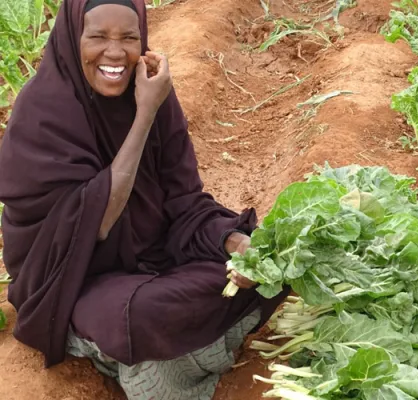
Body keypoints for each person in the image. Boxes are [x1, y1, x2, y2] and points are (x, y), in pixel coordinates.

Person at [0, 0, 288, 398]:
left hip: (154, 258)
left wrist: (239, 246)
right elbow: (96, 223)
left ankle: (173, 347)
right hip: (75, 279)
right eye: (98, 36)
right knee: (140, 315)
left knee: (269, 255)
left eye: (129, 37)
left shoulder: (152, 92)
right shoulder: (43, 112)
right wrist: (144, 115)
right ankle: (159, 350)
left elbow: (186, 203)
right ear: (71, 38)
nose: (115, 52)